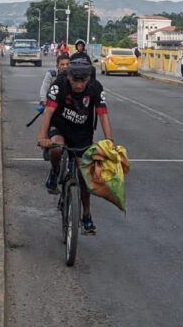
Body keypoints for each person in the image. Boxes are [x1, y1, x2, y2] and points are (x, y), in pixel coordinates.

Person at [37, 60, 113, 235]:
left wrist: (109, 141)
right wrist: (42, 137)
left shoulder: (95, 87)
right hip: (60, 127)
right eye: (75, 81)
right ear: (68, 77)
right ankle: (55, 171)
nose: (79, 85)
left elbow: (103, 114)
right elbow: (48, 111)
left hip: (82, 134)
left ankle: (86, 215)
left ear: (88, 79)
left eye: (83, 81)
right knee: (56, 149)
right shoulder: (59, 85)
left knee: (85, 176)